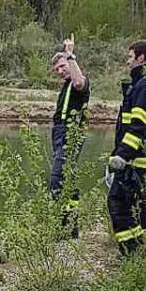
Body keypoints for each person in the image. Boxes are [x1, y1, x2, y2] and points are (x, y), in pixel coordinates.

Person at [107, 39, 146, 255]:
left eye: (130, 57)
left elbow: (138, 126)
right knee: (141, 209)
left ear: (141, 58)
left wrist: (122, 157)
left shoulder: (145, 85)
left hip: (136, 161)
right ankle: (142, 252)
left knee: (118, 204)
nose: (127, 61)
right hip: (143, 160)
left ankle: (132, 254)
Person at [48, 49, 90, 237]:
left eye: (63, 66)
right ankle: (70, 231)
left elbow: (79, 82)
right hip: (60, 134)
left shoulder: (79, 81)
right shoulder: (66, 86)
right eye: (57, 69)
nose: (60, 71)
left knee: (57, 179)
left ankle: (60, 228)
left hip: (70, 134)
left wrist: (71, 55)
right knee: (68, 181)